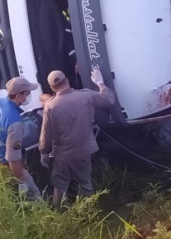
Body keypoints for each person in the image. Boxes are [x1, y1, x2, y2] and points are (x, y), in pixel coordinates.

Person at [39, 67, 115, 207]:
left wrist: (44, 152)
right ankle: (87, 214)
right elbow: (109, 100)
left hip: (62, 155)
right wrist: (100, 83)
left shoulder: (50, 106)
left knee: (60, 187)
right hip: (83, 151)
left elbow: (46, 134)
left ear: (52, 88)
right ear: (67, 80)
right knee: (85, 183)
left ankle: (62, 218)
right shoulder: (86, 96)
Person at [0, 76, 41, 200]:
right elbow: (13, 158)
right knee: (34, 196)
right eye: (28, 93)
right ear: (19, 96)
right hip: (2, 165)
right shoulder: (15, 122)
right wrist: (20, 181)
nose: (29, 95)